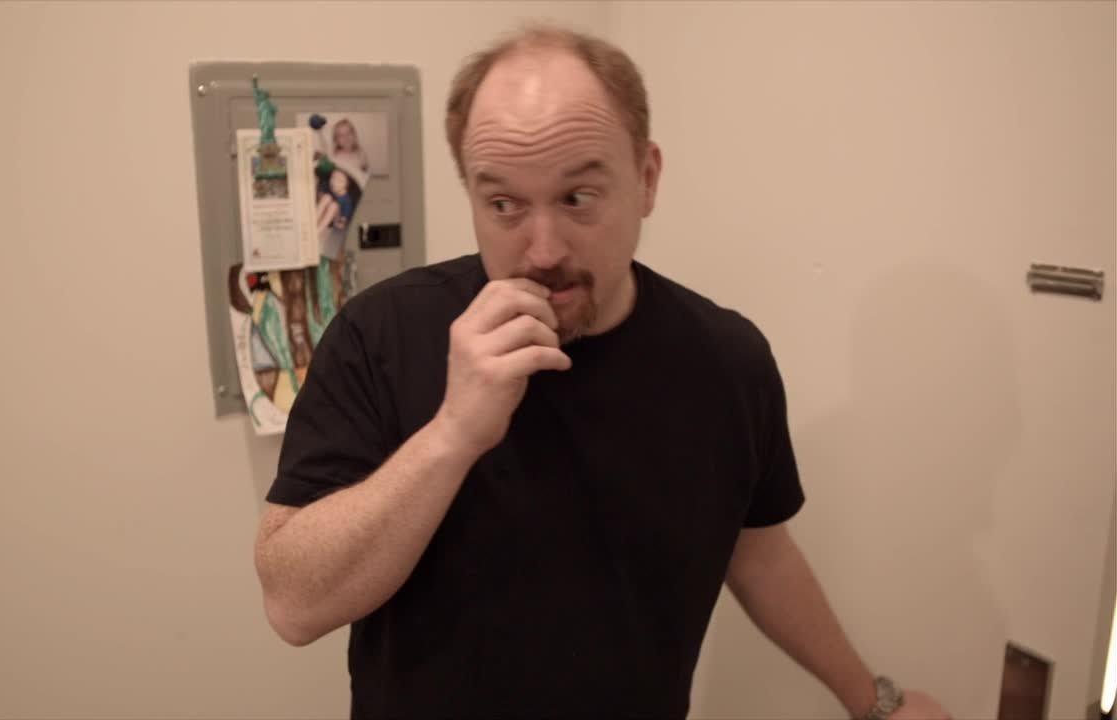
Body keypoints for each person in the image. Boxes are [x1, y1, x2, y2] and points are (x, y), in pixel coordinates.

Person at [254, 24, 952, 720]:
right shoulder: (380, 334)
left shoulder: (728, 362)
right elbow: (292, 605)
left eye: (578, 198)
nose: (543, 250)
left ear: (646, 179)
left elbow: (759, 553)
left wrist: (874, 702)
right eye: (504, 205)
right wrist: (452, 435)